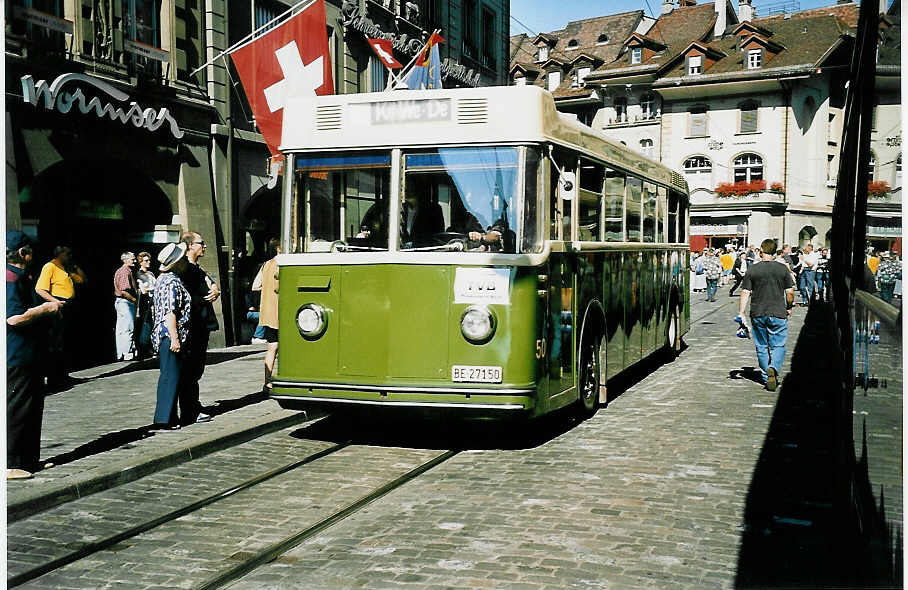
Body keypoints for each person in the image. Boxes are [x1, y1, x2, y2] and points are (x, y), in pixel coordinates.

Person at [7, 231, 63, 480]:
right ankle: (9, 463)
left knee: (31, 407)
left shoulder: (22, 276)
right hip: (16, 354)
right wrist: (46, 308)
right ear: (23, 253)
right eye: (30, 250)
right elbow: (14, 317)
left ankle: (28, 460)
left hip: (30, 354)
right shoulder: (10, 278)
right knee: (17, 408)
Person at [737, 238, 795, 392]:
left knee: (761, 346)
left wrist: (741, 313)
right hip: (778, 312)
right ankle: (774, 367)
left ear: (761, 250)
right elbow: (790, 292)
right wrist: (789, 306)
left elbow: (745, 293)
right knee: (778, 345)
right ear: (775, 252)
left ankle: (766, 375)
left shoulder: (752, 269)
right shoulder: (782, 269)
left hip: (758, 313)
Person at [151, 243, 194, 430]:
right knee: (170, 376)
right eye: (182, 259)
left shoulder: (163, 279)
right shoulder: (171, 282)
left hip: (166, 334)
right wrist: (175, 337)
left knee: (171, 374)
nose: (185, 261)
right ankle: (164, 419)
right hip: (170, 335)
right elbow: (171, 312)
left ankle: (169, 417)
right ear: (176, 263)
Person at [178, 232, 218, 425]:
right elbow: (187, 297)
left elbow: (208, 280)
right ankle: (189, 410)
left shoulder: (195, 267)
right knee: (191, 369)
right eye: (201, 243)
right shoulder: (184, 268)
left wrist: (214, 287)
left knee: (196, 368)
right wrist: (204, 298)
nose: (205, 247)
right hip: (193, 324)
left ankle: (193, 405)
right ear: (190, 246)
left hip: (201, 323)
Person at [35, 246, 86, 390]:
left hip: (68, 304)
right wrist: (54, 301)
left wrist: (74, 267)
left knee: (64, 341)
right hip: (57, 303)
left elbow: (82, 280)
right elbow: (40, 288)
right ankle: (54, 377)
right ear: (60, 254)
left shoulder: (66, 269)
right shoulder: (50, 266)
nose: (70, 256)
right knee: (55, 342)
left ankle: (63, 374)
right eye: (67, 254)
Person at [255, 238, 281, 387]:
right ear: (279, 248)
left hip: (268, 314)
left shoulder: (266, 265)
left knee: (272, 348)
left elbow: (255, 285)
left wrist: (267, 290)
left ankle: (267, 382)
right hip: (281, 313)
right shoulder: (282, 265)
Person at [113, 251, 138, 360]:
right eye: (132, 259)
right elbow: (123, 290)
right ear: (125, 260)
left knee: (121, 328)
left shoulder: (122, 271)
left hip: (121, 302)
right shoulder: (125, 271)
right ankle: (127, 353)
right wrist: (133, 299)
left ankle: (121, 353)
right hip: (125, 302)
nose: (135, 261)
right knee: (128, 328)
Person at [135, 251, 157, 359]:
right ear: (141, 262)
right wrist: (151, 289)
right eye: (146, 260)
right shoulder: (139, 274)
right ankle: (143, 348)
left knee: (152, 324)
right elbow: (143, 290)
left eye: (149, 260)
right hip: (145, 303)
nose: (148, 262)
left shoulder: (151, 273)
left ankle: (151, 347)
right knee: (146, 324)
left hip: (153, 302)